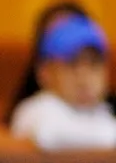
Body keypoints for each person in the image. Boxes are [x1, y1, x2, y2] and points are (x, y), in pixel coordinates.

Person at [8, 9, 116, 151]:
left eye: (94, 65)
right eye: (72, 65)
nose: (84, 79)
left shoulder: (102, 113)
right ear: (45, 73)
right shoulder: (35, 109)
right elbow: (49, 136)